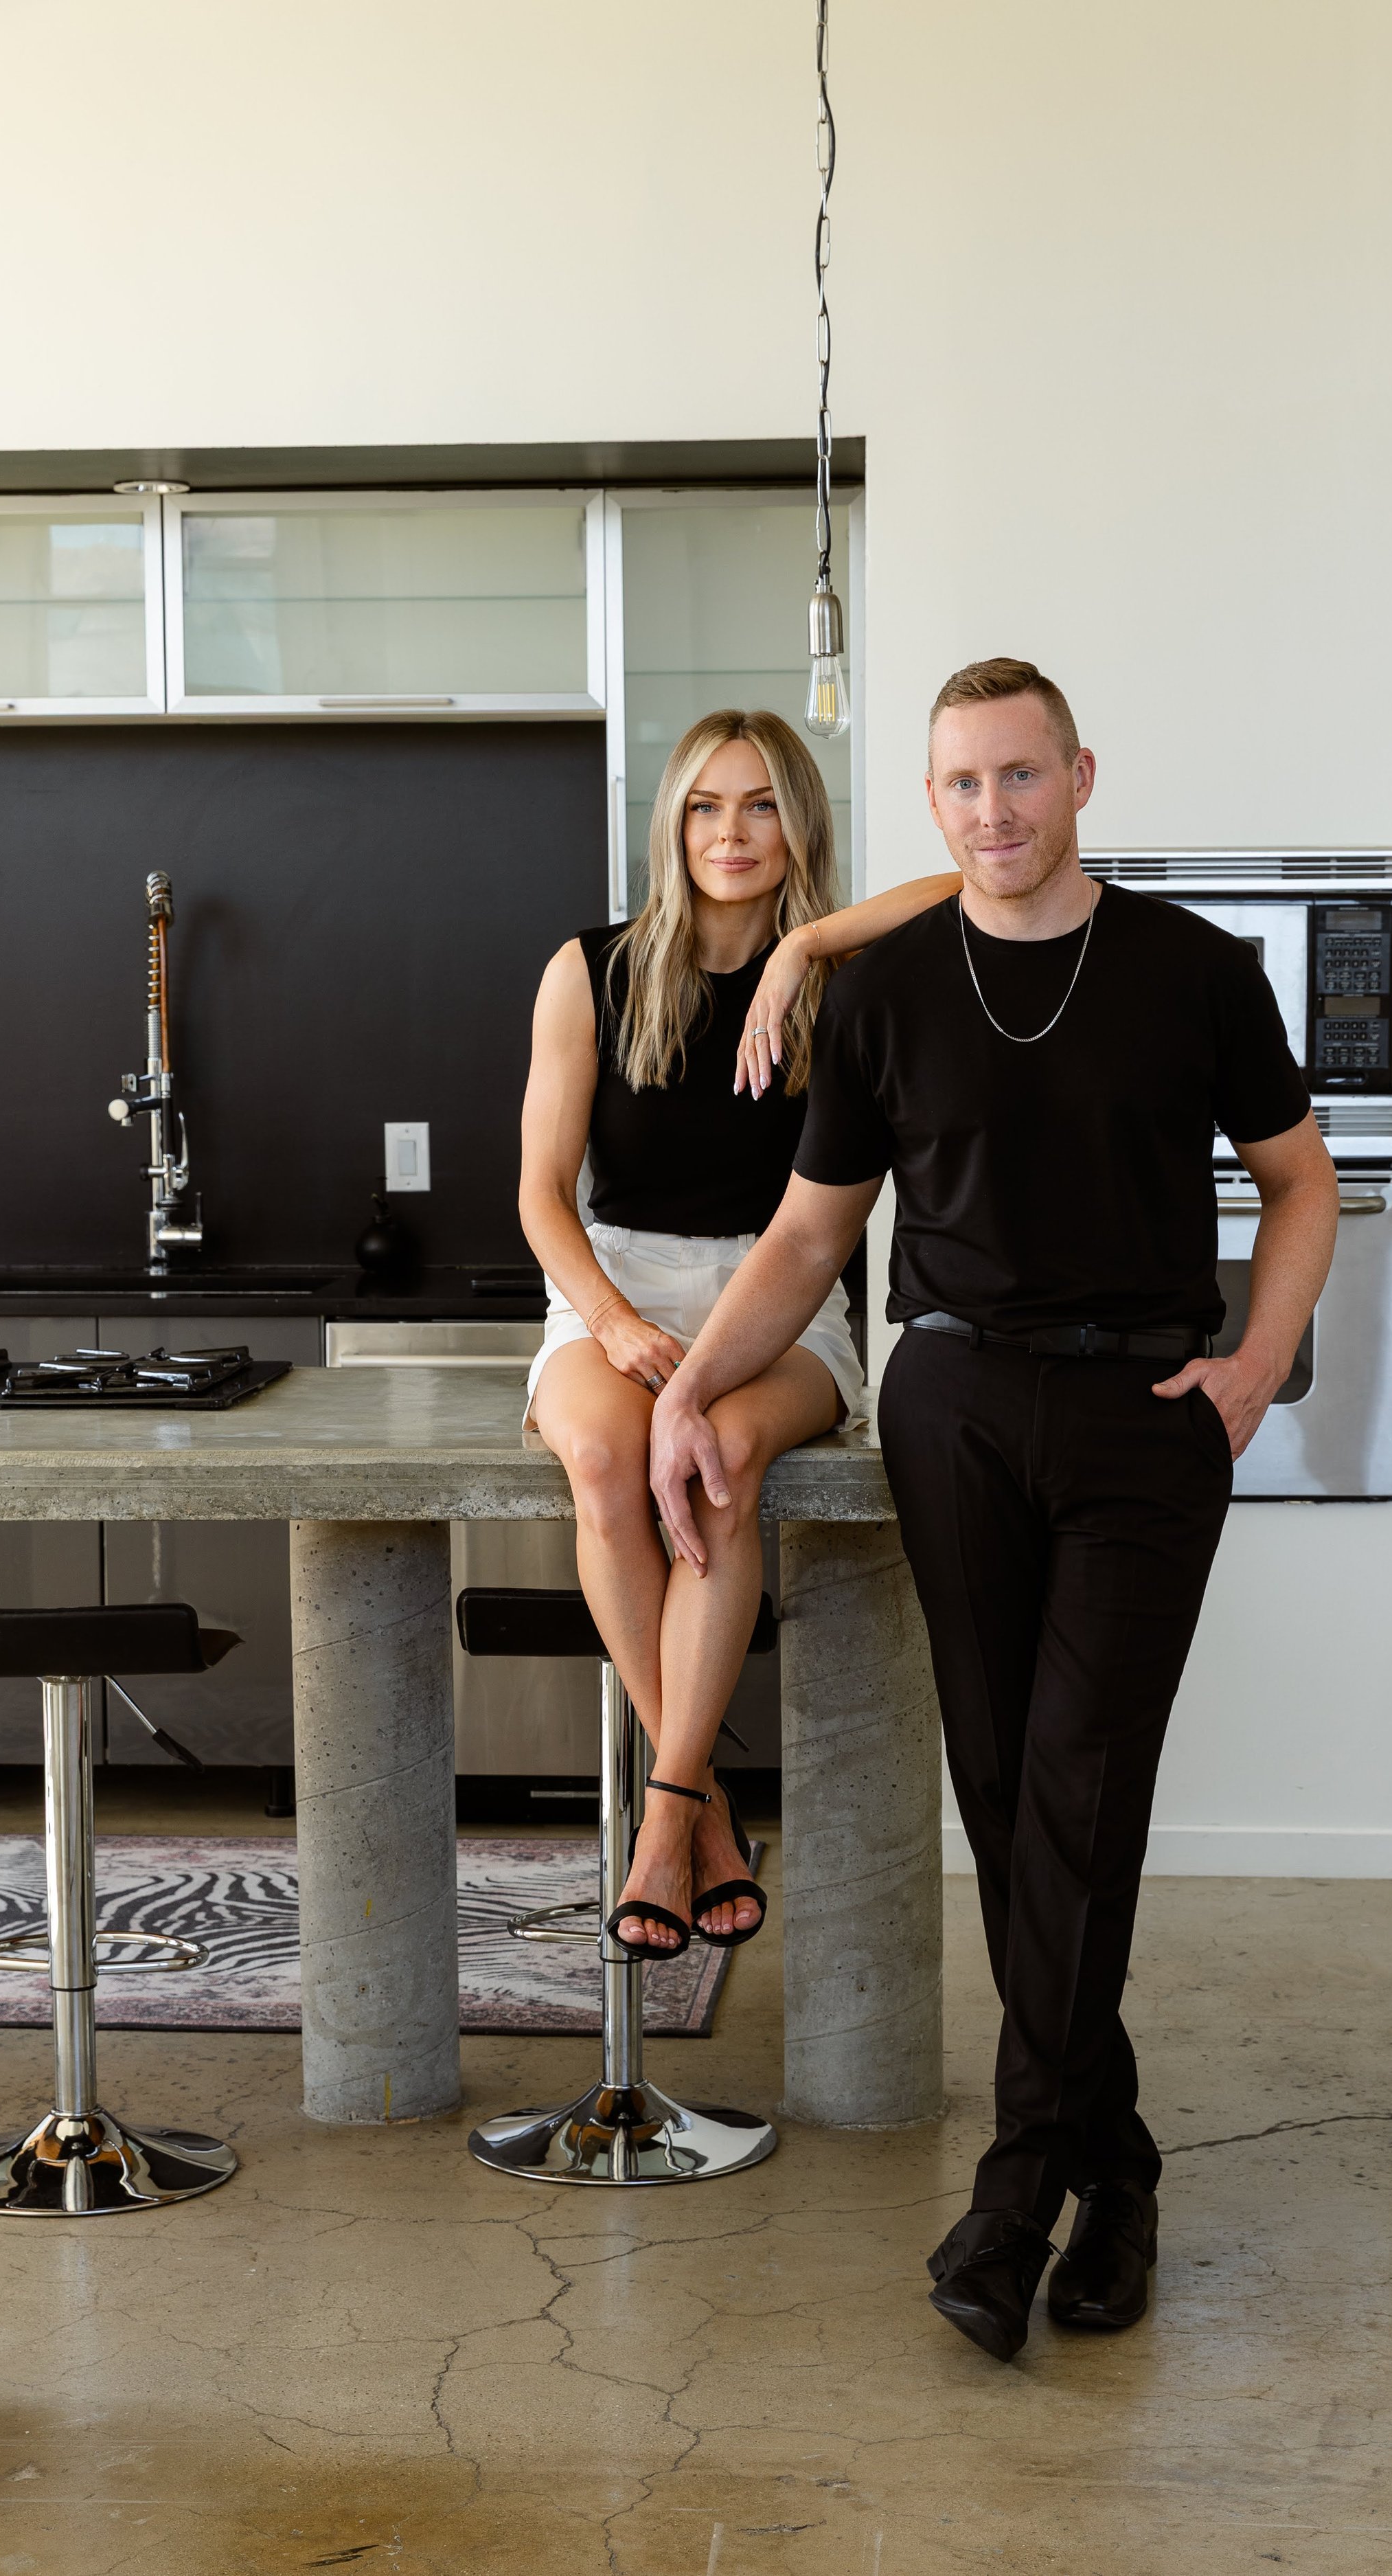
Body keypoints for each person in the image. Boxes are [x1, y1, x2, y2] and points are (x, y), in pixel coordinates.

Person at [649, 656, 1340, 2358]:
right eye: (958, 786)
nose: (990, 814)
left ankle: (1016, 2187)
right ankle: (1117, 2173)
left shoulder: (1191, 972)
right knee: (1007, 1800)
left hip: (1142, 1415)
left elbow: (1297, 1178)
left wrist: (1252, 1366)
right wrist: (681, 1388)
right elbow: (812, 1236)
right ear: (933, 801)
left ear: (1080, 776)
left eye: (1018, 779)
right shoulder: (888, 992)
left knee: (1079, 1789)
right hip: (950, 1407)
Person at [518, 706, 953, 1956]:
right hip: (620, 1287)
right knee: (607, 1460)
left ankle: (665, 1821)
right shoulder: (588, 968)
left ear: (799, 823)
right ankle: (696, 1809)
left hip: (786, 1302)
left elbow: (964, 885)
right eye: (706, 805)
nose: (732, 831)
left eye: (762, 803)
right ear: (672, 823)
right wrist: (605, 1317)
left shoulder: (850, 981)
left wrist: (804, 945)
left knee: (715, 1469)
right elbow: (543, 1196)